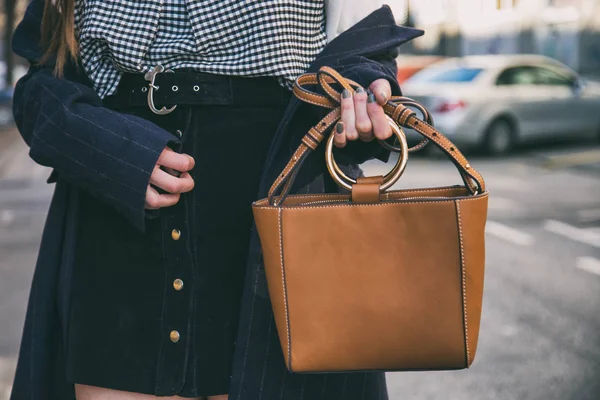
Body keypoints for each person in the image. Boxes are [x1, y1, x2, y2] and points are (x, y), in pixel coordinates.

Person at [10, 0, 423, 399]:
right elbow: (40, 88)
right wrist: (106, 148)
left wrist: (362, 97)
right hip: (117, 214)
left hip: (278, 209)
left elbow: (360, 46)